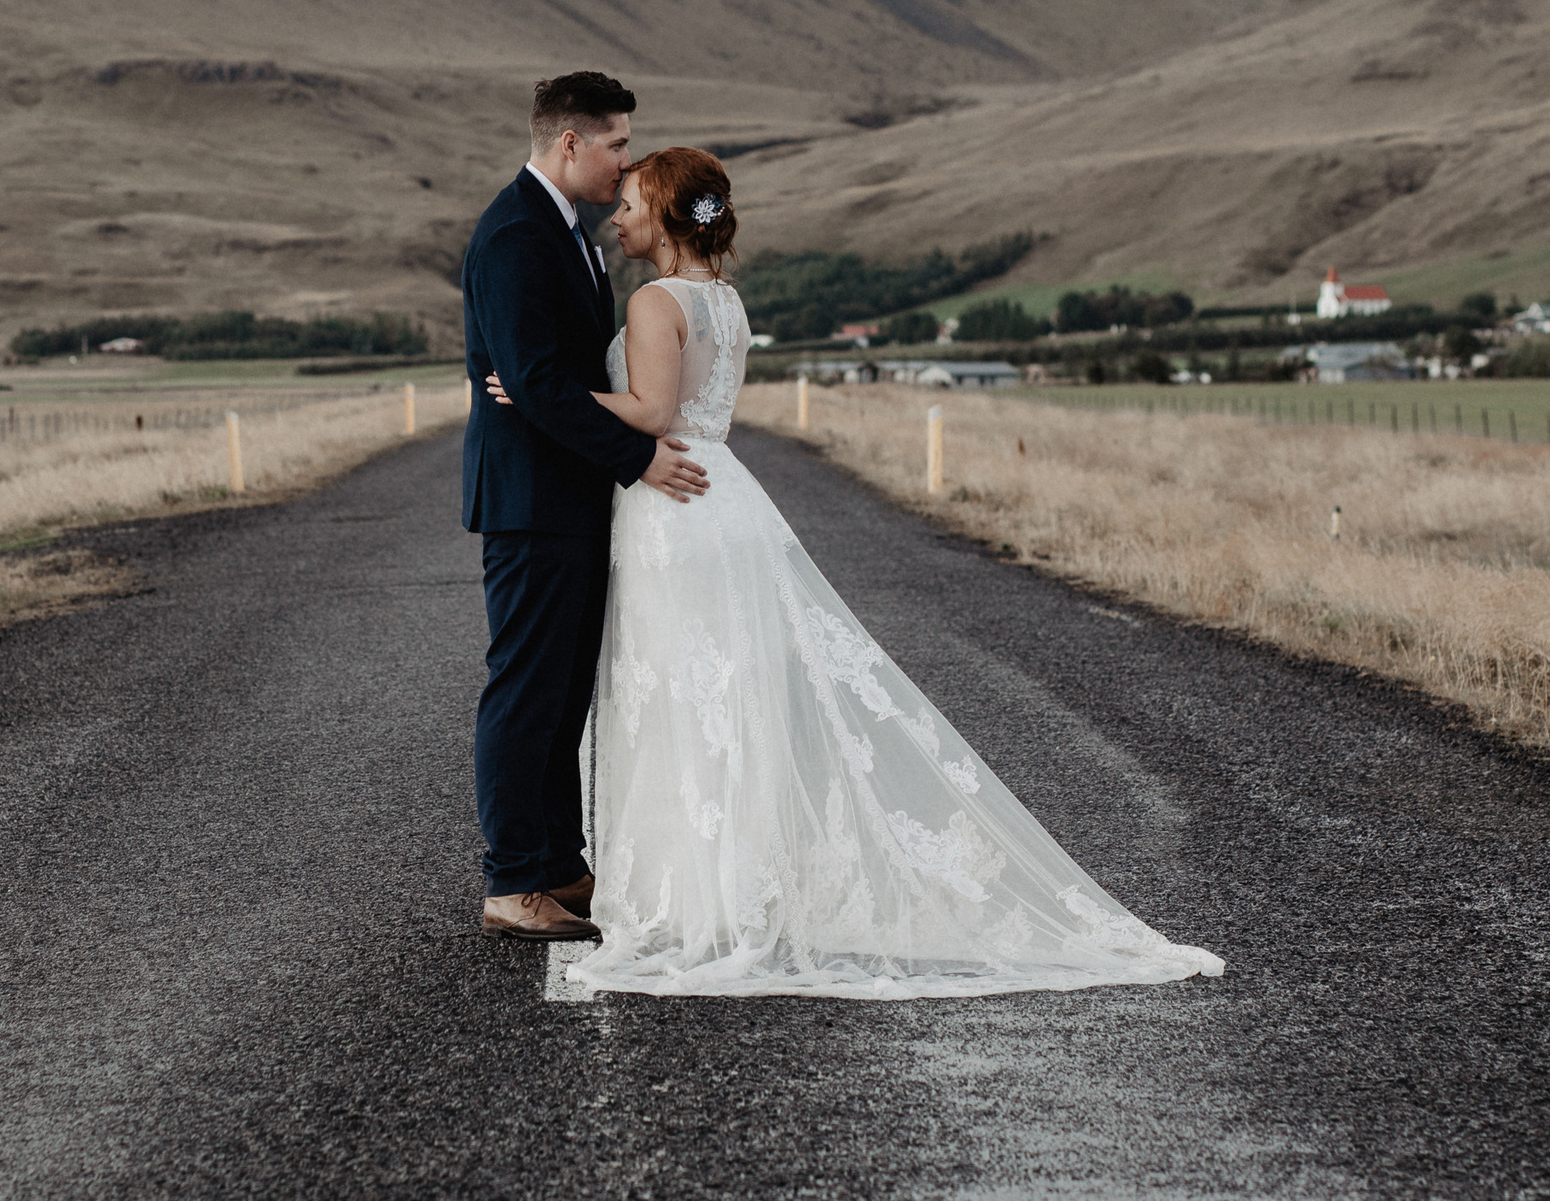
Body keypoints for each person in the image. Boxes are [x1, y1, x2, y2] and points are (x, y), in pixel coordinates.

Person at [485, 147, 1225, 997]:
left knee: (682, 699)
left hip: (672, 505)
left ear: (665, 212)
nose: (616, 215)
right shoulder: (725, 301)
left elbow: (652, 413)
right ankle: (723, 886)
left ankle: (692, 897)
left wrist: (540, 394)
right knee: (728, 698)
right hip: (724, 495)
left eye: (631, 202)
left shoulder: (656, 300)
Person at [459, 73, 709, 943]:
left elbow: (554, 379)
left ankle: (560, 863)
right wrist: (639, 456)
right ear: (570, 142)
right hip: (530, 500)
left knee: (565, 693)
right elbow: (529, 380)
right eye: (617, 144)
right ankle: (512, 881)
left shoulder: (570, 234)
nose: (626, 160)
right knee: (526, 690)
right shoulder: (515, 235)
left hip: (570, 496)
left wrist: (564, 402)